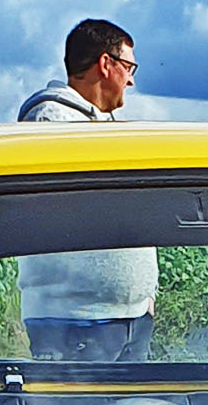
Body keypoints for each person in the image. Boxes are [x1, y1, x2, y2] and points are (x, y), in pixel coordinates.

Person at [16, 19, 157, 361]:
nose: (131, 80)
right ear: (106, 64)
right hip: (74, 317)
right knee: (80, 399)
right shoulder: (51, 120)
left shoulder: (102, 126)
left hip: (130, 316)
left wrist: (145, 296)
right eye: (129, 67)